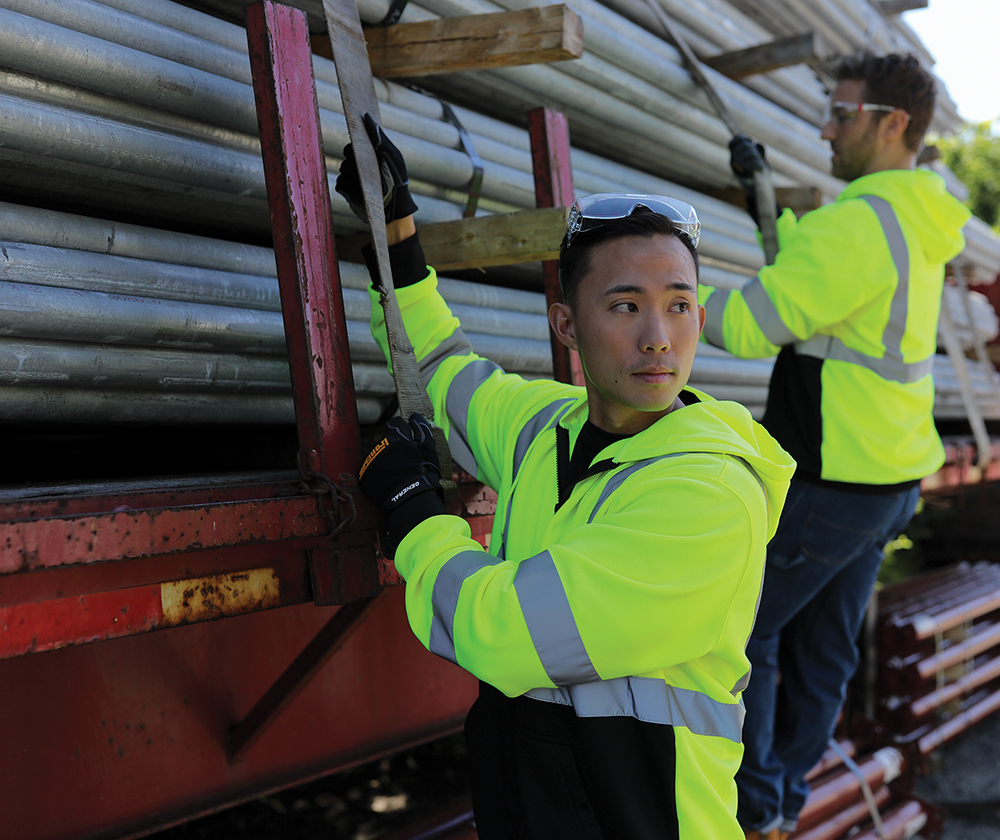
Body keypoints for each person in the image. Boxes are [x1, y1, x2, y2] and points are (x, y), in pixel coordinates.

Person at [336, 115, 795, 840]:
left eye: (678, 306)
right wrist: (396, 235)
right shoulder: (543, 430)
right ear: (566, 326)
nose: (658, 337)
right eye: (625, 307)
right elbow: (441, 370)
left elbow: (503, 634)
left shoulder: (708, 496)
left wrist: (414, 517)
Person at [702, 49, 972, 839]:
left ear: (892, 125)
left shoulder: (857, 222)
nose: (826, 128)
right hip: (886, 478)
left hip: (830, 479)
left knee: (742, 632)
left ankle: (755, 808)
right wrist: (766, 209)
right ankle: (781, 800)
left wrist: (653, 300)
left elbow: (755, 323)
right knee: (825, 650)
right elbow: (821, 294)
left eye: (842, 114)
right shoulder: (912, 216)